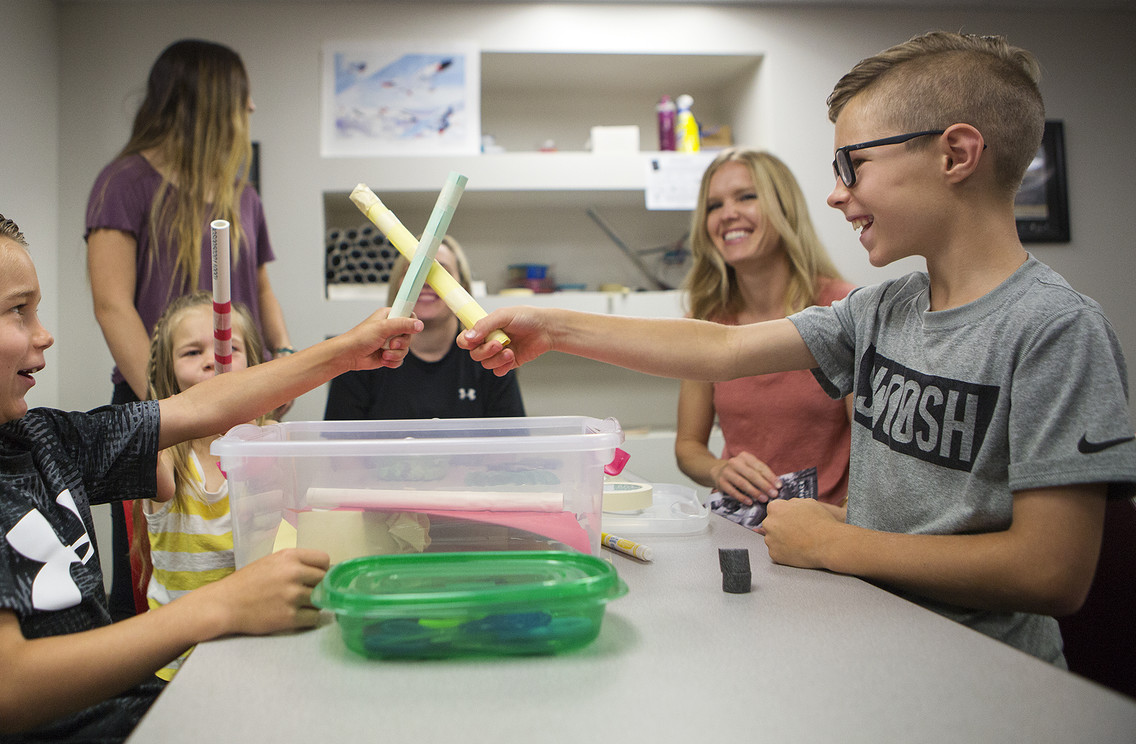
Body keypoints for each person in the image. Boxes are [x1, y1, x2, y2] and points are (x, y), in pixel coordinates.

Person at [458, 31, 1136, 666]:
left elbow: (1052, 573)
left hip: (988, 676)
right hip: (872, 638)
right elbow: (721, 350)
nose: (837, 194)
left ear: (955, 155)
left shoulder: (1055, 330)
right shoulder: (882, 309)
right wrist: (557, 328)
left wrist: (841, 543)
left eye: (854, 164)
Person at [0, 206, 417, 742]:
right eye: (18, 311)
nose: (44, 332)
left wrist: (347, 350)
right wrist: (222, 606)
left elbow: (201, 406)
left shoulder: (37, 440)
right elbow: (5, 688)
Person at [85, 39, 294, 619]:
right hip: (160, 410)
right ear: (212, 99)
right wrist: (165, 414)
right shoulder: (122, 183)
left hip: (240, 411)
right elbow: (111, 305)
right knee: (149, 580)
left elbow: (265, 289)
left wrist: (282, 369)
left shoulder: (243, 195)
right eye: (243, 95)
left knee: (244, 559)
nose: (251, 109)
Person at [675, 149, 855, 507]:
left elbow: (874, 454)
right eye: (713, 205)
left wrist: (842, 530)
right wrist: (718, 470)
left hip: (823, 533)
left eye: (746, 197)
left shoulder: (843, 310)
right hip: (739, 529)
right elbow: (688, 446)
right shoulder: (707, 319)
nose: (728, 214)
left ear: (783, 209)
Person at [132, 291, 267, 679]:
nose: (213, 358)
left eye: (229, 347)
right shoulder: (164, 455)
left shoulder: (270, 443)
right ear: (168, 371)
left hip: (250, 650)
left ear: (254, 364)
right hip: (176, 662)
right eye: (192, 352)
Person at [325, 235, 526, 420]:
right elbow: (341, 450)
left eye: (441, 273)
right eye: (414, 270)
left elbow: (508, 447)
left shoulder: (491, 356)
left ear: (463, 286)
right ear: (398, 285)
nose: (425, 281)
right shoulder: (362, 357)